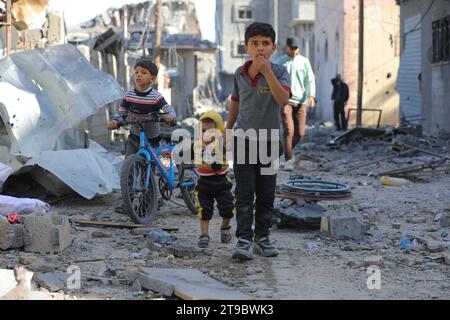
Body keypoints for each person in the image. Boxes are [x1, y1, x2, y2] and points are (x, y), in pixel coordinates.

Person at [226, 22, 291, 261]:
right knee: (244, 193)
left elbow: (283, 100)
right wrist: (228, 129)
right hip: (244, 140)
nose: (260, 48)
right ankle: (244, 239)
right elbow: (235, 102)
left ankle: (262, 238)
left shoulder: (280, 72)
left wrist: (267, 73)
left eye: (265, 43)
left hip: (269, 142)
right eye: (255, 44)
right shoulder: (239, 74)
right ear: (246, 48)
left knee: (266, 194)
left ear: (273, 48)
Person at [107, 59, 176, 156]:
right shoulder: (129, 95)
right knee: (129, 161)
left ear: (152, 79)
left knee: (149, 164)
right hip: (134, 136)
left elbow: (167, 108)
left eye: (143, 73)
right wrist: (115, 121)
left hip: (151, 138)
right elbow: (122, 112)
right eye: (136, 72)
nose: (138, 75)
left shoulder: (155, 97)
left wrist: (170, 116)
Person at [193, 111, 234, 248]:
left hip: (222, 181)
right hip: (204, 183)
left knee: (227, 207)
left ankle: (225, 228)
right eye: (204, 130)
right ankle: (204, 234)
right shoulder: (198, 144)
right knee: (204, 210)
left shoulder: (221, 143)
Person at [277, 36, 316, 171]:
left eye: (296, 48)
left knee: (299, 133)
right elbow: (274, 81)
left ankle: (283, 151)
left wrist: (311, 95)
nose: (293, 51)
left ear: (298, 48)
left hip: (301, 102)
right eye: (291, 48)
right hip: (286, 101)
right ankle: (288, 160)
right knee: (289, 131)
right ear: (286, 47)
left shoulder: (304, 62)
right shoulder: (280, 63)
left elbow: (310, 79)